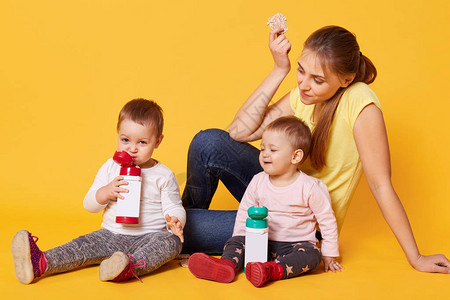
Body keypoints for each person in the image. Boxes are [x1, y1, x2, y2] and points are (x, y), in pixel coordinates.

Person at [181, 25, 450, 274]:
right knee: (208, 142)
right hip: (274, 190)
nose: (304, 84)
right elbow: (240, 132)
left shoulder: (360, 103)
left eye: (317, 79)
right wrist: (279, 69)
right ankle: (175, 231)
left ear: (346, 80)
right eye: (301, 71)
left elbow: (381, 186)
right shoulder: (304, 95)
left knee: (167, 226)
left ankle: (173, 234)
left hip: (299, 226)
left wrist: (416, 257)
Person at [11, 99, 186, 284]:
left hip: (150, 236)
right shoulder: (110, 167)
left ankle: (128, 267)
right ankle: (41, 262)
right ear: (118, 135)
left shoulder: (163, 175)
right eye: (125, 140)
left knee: (171, 243)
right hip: (111, 234)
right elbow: (89, 204)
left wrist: (175, 221)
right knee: (82, 245)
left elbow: (174, 205)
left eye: (142, 142)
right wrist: (106, 192)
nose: (132, 149)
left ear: (158, 141)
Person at [188, 116, 343, 287]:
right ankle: (227, 265)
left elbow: (327, 220)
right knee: (237, 242)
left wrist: (329, 254)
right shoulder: (258, 181)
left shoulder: (311, 187)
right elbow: (244, 211)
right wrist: (238, 238)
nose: (264, 154)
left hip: (295, 245)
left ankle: (270, 270)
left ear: (295, 156)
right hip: (260, 241)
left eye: (273, 150)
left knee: (312, 254)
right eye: (262, 149)